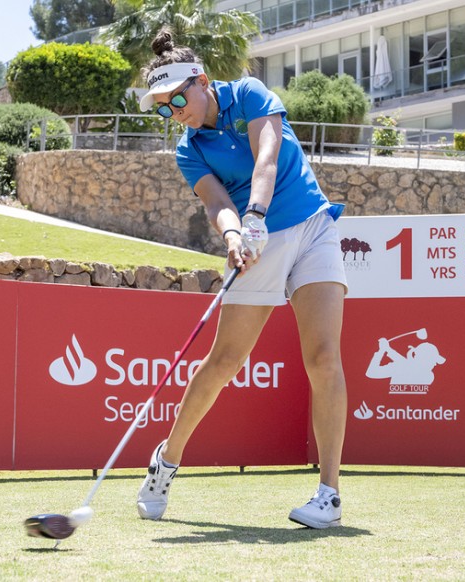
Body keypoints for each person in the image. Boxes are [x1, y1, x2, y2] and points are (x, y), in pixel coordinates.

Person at [136, 27, 348, 529]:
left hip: (312, 226)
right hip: (255, 243)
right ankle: (166, 461)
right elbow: (216, 203)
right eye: (163, 109)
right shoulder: (189, 149)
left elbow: (267, 159)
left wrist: (254, 213)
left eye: (178, 100)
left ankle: (329, 495)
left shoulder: (251, 94)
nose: (174, 113)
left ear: (202, 81)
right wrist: (234, 236)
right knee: (225, 360)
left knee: (324, 358)